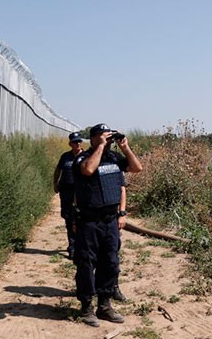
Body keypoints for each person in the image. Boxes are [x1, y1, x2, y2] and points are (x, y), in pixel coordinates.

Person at [72, 123, 142, 327]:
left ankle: (104, 305)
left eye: (109, 137)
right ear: (93, 138)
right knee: (86, 264)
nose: (108, 140)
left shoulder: (114, 159)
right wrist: (100, 147)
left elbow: (137, 168)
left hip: (110, 221)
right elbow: (88, 170)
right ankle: (86, 307)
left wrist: (125, 147)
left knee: (110, 263)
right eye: (103, 136)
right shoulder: (82, 158)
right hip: (89, 221)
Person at [53, 131, 84, 259]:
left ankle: (81, 246)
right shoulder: (65, 157)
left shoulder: (87, 156)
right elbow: (58, 169)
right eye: (74, 142)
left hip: (81, 192)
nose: (77, 144)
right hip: (66, 191)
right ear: (70, 143)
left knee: (80, 218)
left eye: (79, 141)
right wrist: (55, 182)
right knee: (68, 218)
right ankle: (72, 246)